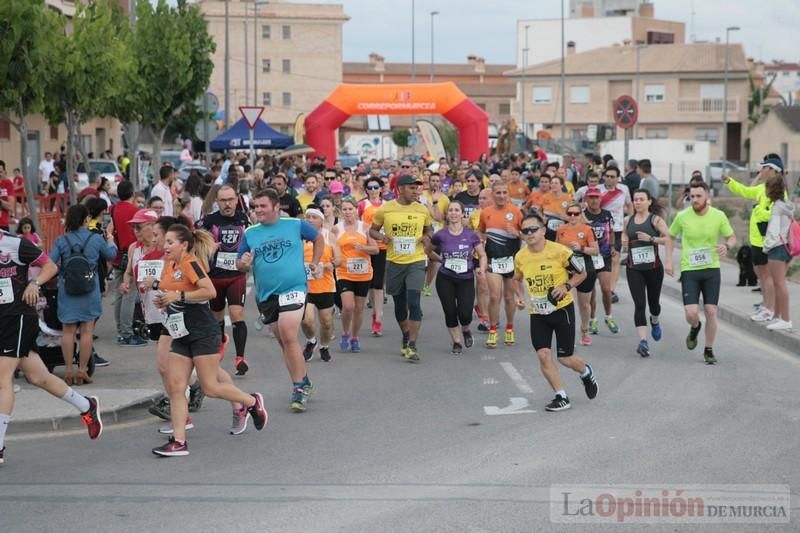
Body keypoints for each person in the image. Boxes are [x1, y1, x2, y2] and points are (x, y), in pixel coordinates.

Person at [149, 224, 268, 457]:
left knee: (210, 387)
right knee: (175, 386)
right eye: (166, 242)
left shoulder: (191, 263)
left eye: (170, 242)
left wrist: (179, 296)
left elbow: (210, 292)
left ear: (184, 245)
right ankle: (179, 441)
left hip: (203, 331)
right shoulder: (170, 265)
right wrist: (164, 297)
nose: (165, 246)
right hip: (181, 332)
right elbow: (174, 290)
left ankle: (252, 402)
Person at [0, 229, 103, 465]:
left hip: (18, 317)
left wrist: (34, 283)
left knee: (2, 380)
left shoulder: (15, 244)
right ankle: (87, 406)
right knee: (39, 378)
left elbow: (50, 266)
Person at [237, 188, 324, 412]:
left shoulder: (295, 224)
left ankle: (298, 388)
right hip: (267, 294)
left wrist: (314, 262)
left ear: (277, 207)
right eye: (255, 207)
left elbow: (318, 237)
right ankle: (303, 380)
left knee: (288, 333)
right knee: (285, 342)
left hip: (294, 287)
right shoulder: (250, 233)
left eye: (263, 206)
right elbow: (240, 263)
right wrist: (244, 262)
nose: (258, 210)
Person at [513, 212, 598, 412]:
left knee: (565, 358)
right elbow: (516, 279)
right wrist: (519, 296)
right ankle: (561, 396)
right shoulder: (521, 256)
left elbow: (582, 273)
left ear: (543, 231)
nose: (529, 234)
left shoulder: (560, 251)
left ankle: (586, 372)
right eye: (525, 231)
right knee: (543, 354)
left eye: (533, 229)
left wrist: (567, 287)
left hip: (561, 309)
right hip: (538, 312)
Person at [49, 204, 118, 384]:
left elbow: (50, 262)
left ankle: (69, 371)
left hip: (67, 289)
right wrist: (110, 239)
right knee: (87, 331)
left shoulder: (62, 240)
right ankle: (82, 370)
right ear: (86, 219)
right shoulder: (95, 239)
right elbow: (111, 254)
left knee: (68, 332)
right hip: (90, 289)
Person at [669, 181, 736, 364]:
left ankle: (708, 349)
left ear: (707, 197)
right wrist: (668, 261)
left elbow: (732, 236)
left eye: (699, 196)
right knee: (691, 313)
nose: (695, 200)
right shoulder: (682, 216)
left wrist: (727, 246)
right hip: (690, 269)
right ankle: (695, 327)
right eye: (692, 196)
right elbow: (670, 236)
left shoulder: (719, 216)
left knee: (711, 310)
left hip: (711, 268)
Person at [369, 175, 433, 362]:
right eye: (412, 188)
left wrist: (427, 237)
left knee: (414, 302)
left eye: (417, 188)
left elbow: (429, 230)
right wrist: (382, 238)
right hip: (394, 262)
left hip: (416, 260)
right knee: (399, 305)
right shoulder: (386, 209)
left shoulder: (422, 209)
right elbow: (372, 230)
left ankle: (412, 345)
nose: (416, 191)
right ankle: (406, 334)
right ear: (400, 189)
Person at [196, 185, 252, 377]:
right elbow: (196, 244)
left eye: (230, 200)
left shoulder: (244, 219)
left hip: (236, 275)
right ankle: (220, 342)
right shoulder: (209, 221)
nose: (227, 204)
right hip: (214, 277)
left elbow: (254, 241)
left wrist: (249, 258)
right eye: (223, 200)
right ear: (217, 202)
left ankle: (240, 358)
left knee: (237, 314)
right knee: (217, 317)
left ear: (236, 199)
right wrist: (209, 245)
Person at [724, 156, 780, 323]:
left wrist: (757, 209)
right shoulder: (762, 188)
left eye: (764, 168)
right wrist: (729, 182)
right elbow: (745, 191)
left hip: (768, 240)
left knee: (767, 275)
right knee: (761, 274)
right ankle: (765, 306)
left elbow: (775, 214)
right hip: (756, 239)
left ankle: (770, 309)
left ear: (772, 170)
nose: (761, 171)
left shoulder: (779, 191)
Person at [428, 201, 487, 353]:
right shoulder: (440, 235)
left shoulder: (471, 235)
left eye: (456, 210)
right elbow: (428, 251)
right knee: (450, 311)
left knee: (465, 314)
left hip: (466, 279)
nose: (453, 213)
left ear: (462, 214)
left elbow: (482, 254)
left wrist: (482, 268)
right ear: (447, 215)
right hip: (445, 278)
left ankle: (466, 329)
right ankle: (456, 342)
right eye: (451, 210)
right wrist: (440, 260)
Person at [622, 190, 674, 357]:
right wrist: (623, 240)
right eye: (635, 199)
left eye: (641, 199)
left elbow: (668, 239)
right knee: (639, 304)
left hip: (653, 269)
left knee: (654, 304)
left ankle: (655, 320)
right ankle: (643, 342)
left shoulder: (656, 220)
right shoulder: (627, 220)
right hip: (634, 268)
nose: (637, 202)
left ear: (649, 202)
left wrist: (651, 239)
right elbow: (624, 235)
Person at [479, 182, 523, 349]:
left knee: (508, 297)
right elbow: (481, 232)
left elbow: (528, 235)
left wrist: (517, 233)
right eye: (498, 193)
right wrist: (481, 242)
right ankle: (493, 329)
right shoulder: (486, 213)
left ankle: (509, 327)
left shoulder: (516, 212)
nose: (502, 196)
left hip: (511, 260)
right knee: (494, 296)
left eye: (504, 192)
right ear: (493, 194)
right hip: (493, 260)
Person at [333, 198, 378, 353]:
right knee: (348, 306)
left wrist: (363, 247)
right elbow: (332, 249)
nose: (347, 212)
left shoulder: (365, 227)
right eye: (344, 209)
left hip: (363, 273)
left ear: (356, 210)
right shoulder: (336, 229)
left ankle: (354, 337)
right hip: (344, 272)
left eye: (350, 209)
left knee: (358, 308)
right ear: (341, 212)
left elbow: (376, 249)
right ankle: (345, 333)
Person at [556, 202, 599, 347]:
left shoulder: (587, 229)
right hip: (565, 268)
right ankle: (565, 333)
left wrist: (581, 247)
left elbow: (595, 251)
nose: (573, 216)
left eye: (576, 213)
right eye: (570, 214)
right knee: (563, 301)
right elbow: (555, 247)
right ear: (566, 215)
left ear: (580, 215)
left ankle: (585, 330)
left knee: (584, 304)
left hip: (583, 267)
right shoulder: (561, 229)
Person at [301, 208, 337, 362]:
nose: (310, 220)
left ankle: (324, 346)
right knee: (306, 320)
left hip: (325, 286)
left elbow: (340, 260)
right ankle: (311, 341)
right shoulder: (299, 237)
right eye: (307, 217)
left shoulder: (330, 236)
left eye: (314, 217)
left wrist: (328, 265)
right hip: (304, 286)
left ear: (322, 220)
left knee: (327, 323)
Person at [583, 187, 618, 335]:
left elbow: (611, 232)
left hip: (604, 256)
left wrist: (612, 246)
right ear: (586, 200)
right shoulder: (582, 216)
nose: (594, 200)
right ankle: (592, 320)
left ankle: (609, 316)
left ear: (600, 199)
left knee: (606, 289)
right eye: (591, 197)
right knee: (591, 291)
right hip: (589, 257)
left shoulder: (606, 214)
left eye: (596, 197)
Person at [110, 181, 141, 345]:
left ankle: (120, 331)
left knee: (119, 294)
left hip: (117, 255)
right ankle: (127, 333)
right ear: (132, 193)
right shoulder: (136, 212)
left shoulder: (113, 209)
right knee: (129, 294)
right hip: (132, 255)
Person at [762, 172, 794, 331]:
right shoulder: (786, 205)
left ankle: (786, 319)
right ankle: (778, 317)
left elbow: (773, 232)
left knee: (780, 284)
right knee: (778, 283)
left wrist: (766, 246)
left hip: (777, 248)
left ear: (771, 190)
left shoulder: (777, 208)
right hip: (786, 247)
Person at [359, 177, 387, 337]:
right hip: (366, 248)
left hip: (382, 247)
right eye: (370, 187)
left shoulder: (387, 205)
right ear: (366, 190)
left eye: (376, 187)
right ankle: (373, 308)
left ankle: (378, 318)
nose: (374, 190)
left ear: (381, 189)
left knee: (378, 283)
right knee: (368, 281)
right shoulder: (362, 205)